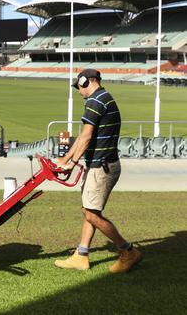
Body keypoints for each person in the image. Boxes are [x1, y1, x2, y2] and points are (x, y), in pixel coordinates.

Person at [54, 68, 142, 273]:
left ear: (88, 82)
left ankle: (128, 251)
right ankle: (81, 255)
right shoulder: (104, 98)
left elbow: (85, 138)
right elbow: (84, 136)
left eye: (79, 86)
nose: (78, 91)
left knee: (92, 215)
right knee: (89, 211)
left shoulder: (95, 101)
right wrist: (66, 159)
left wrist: (69, 161)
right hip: (100, 164)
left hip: (101, 167)